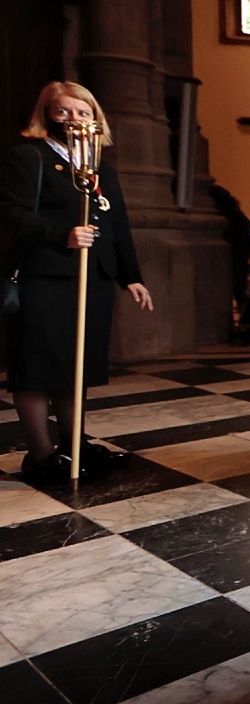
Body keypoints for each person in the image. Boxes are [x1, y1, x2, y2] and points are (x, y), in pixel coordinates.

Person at [0, 81, 154, 483]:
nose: (74, 119)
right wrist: (61, 234)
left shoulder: (101, 167)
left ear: (95, 117)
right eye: (64, 111)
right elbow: (11, 212)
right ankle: (41, 454)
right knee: (36, 366)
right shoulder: (29, 156)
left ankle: (73, 445)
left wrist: (130, 276)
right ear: (47, 115)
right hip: (44, 276)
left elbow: (117, 224)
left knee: (75, 366)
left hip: (92, 278)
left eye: (83, 112)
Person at [209, 184, 250, 305]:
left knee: (235, 288)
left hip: (234, 254)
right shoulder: (235, 214)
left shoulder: (230, 216)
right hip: (237, 254)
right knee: (237, 288)